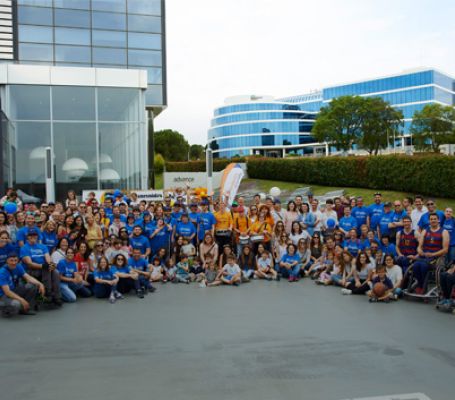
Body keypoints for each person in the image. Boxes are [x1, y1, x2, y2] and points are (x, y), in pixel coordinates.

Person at [20, 230, 62, 305]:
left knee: (56, 272)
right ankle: (47, 293)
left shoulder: (43, 246)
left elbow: (48, 259)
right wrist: (43, 266)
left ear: (37, 237)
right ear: (27, 237)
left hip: (43, 269)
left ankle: (57, 296)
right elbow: (29, 263)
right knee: (46, 270)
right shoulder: (24, 248)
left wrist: (51, 266)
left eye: (34, 235)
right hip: (31, 270)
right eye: (30, 235)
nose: (33, 237)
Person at [411, 213, 449, 294]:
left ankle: (424, 287)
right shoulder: (425, 231)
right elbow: (419, 246)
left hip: (436, 257)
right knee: (415, 265)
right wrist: (419, 250)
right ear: (429, 221)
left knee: (423, 266)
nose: (433, 220)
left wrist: (433, 254)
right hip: (425, 256)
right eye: (431, 219)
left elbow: (445, 249)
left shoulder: (444, 232)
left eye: (435, 219)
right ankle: (420, 285)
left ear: (438, 220)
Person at [0, 253, 45, 317]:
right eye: (11, 260)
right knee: (16, 304)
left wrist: (40, 284)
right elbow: (7, 292)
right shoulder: (2, 272)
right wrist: (21, 299)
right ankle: (3, 308)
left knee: (32, 285)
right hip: (3, 295)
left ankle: (25, 309)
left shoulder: (18, 266)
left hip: (14, 290)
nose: (14, 263)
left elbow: (28, 277)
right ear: (7, 261)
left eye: (15, 260)